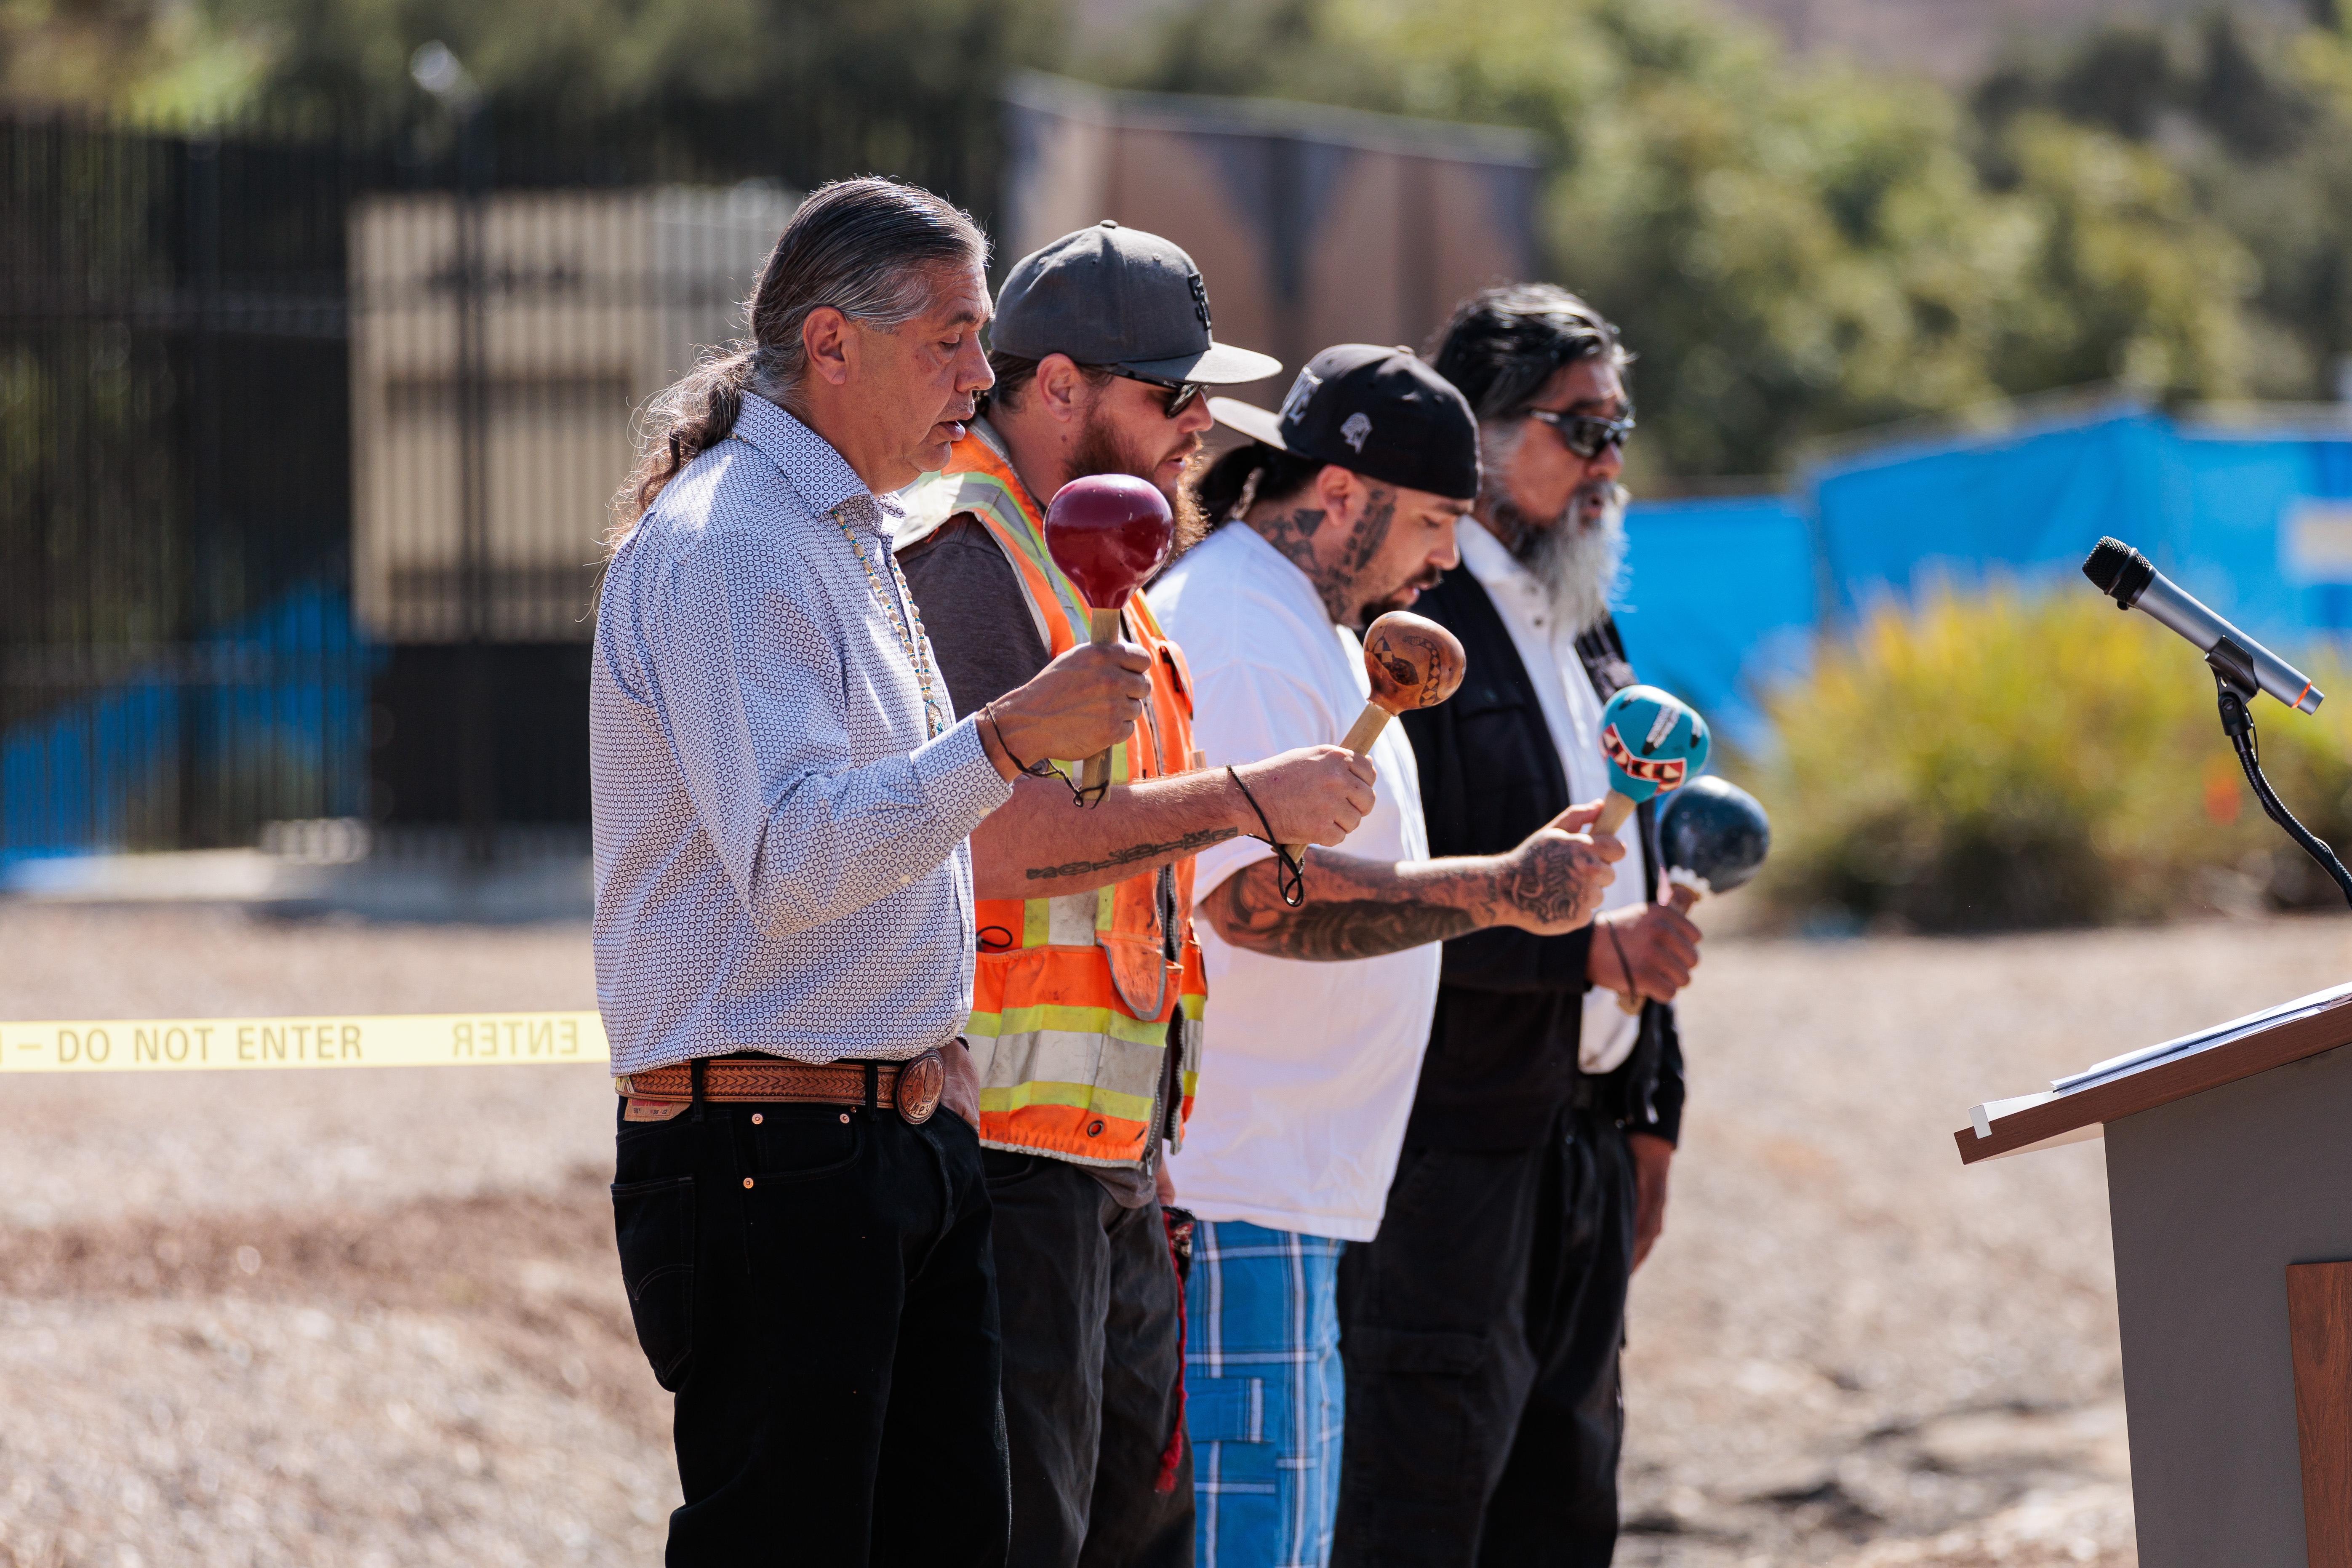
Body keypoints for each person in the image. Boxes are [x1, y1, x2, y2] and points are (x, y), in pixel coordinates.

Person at [589, 177, 1156, 1567]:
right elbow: (793, 858)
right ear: (831, 345)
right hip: (771, 1154)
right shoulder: (733, 545)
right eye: (953, 338)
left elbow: (871, 839)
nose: (982, 374)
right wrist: (1010, 737)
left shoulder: (844, 531)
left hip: (881, 1139)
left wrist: (933, 1077)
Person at [895, 221, 1376, 1568]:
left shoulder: (1109, 576)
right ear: (1055, 388)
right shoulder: (971, 555)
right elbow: (981, 843)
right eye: (1172, 396)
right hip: (1000, 1167)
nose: (1203, 426)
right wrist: (1242, 801)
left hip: (1103, 1169)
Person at [1148, 343, 1623, 1568]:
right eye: (1435, 519)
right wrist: (1498, 891)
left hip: (1289, 1182)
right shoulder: (1240, 624)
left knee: (1285, 1538)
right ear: (1342, 493)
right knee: (1248, 1544)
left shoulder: (1306, 618)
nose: (1448, 558)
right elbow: (1248, 900)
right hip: (1237, 1181)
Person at [1330, 285, 1701, 1567]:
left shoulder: (1584, 618)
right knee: (1424, 1507)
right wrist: (1588, 955)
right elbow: (1375, 892)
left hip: (1582, 1143)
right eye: (1577, 427)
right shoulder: (1411, 636)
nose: (1609, 460)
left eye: (1618, 426)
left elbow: (1637, 869)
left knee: (1563, 1508)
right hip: (1452, 1152)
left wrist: (1649, 1114)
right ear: (1477, 433)